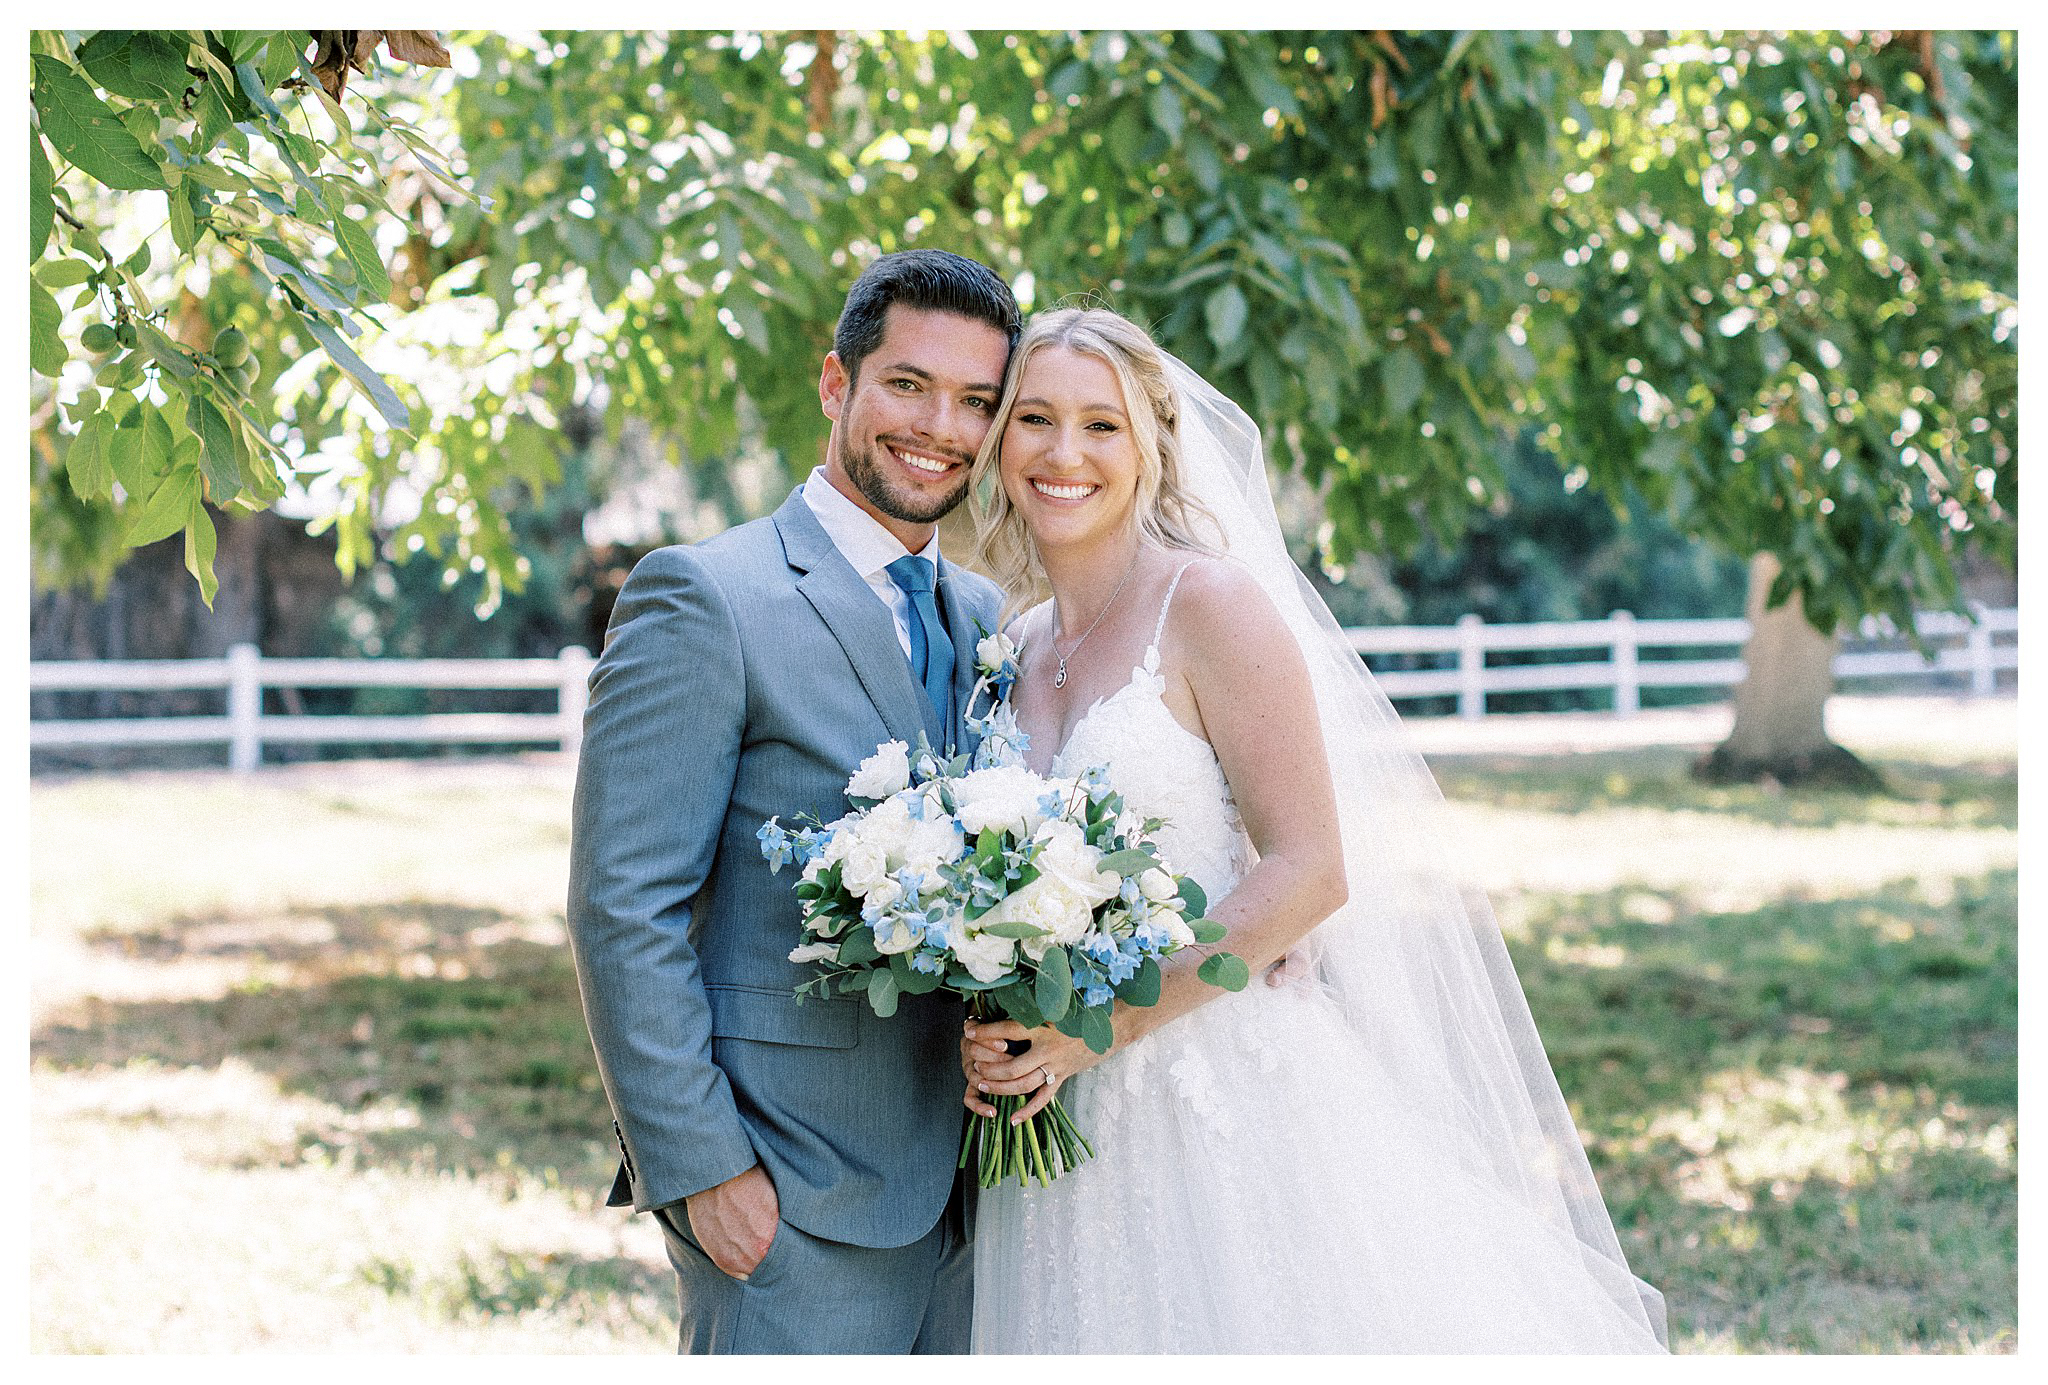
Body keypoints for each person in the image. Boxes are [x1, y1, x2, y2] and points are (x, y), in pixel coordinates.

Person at [957, 307, 1670, 1353]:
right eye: (1034, 418)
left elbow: (1309, 870)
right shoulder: (1008, 644)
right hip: (1053, 1121)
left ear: (1153, 440)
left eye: (1101, 425)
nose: (1064, 453)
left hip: (1212, 1091)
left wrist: (1098, 1028)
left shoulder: (1207, 605)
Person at [565, 249, 1020, 1353]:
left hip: (977, 1199)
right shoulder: (707, 594)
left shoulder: (983, 608)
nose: (939, 426)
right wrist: (703, 1166)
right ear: (836, 384)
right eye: (907, 384)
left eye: (975, 401)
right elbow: (621, 904)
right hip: (785, 1194)